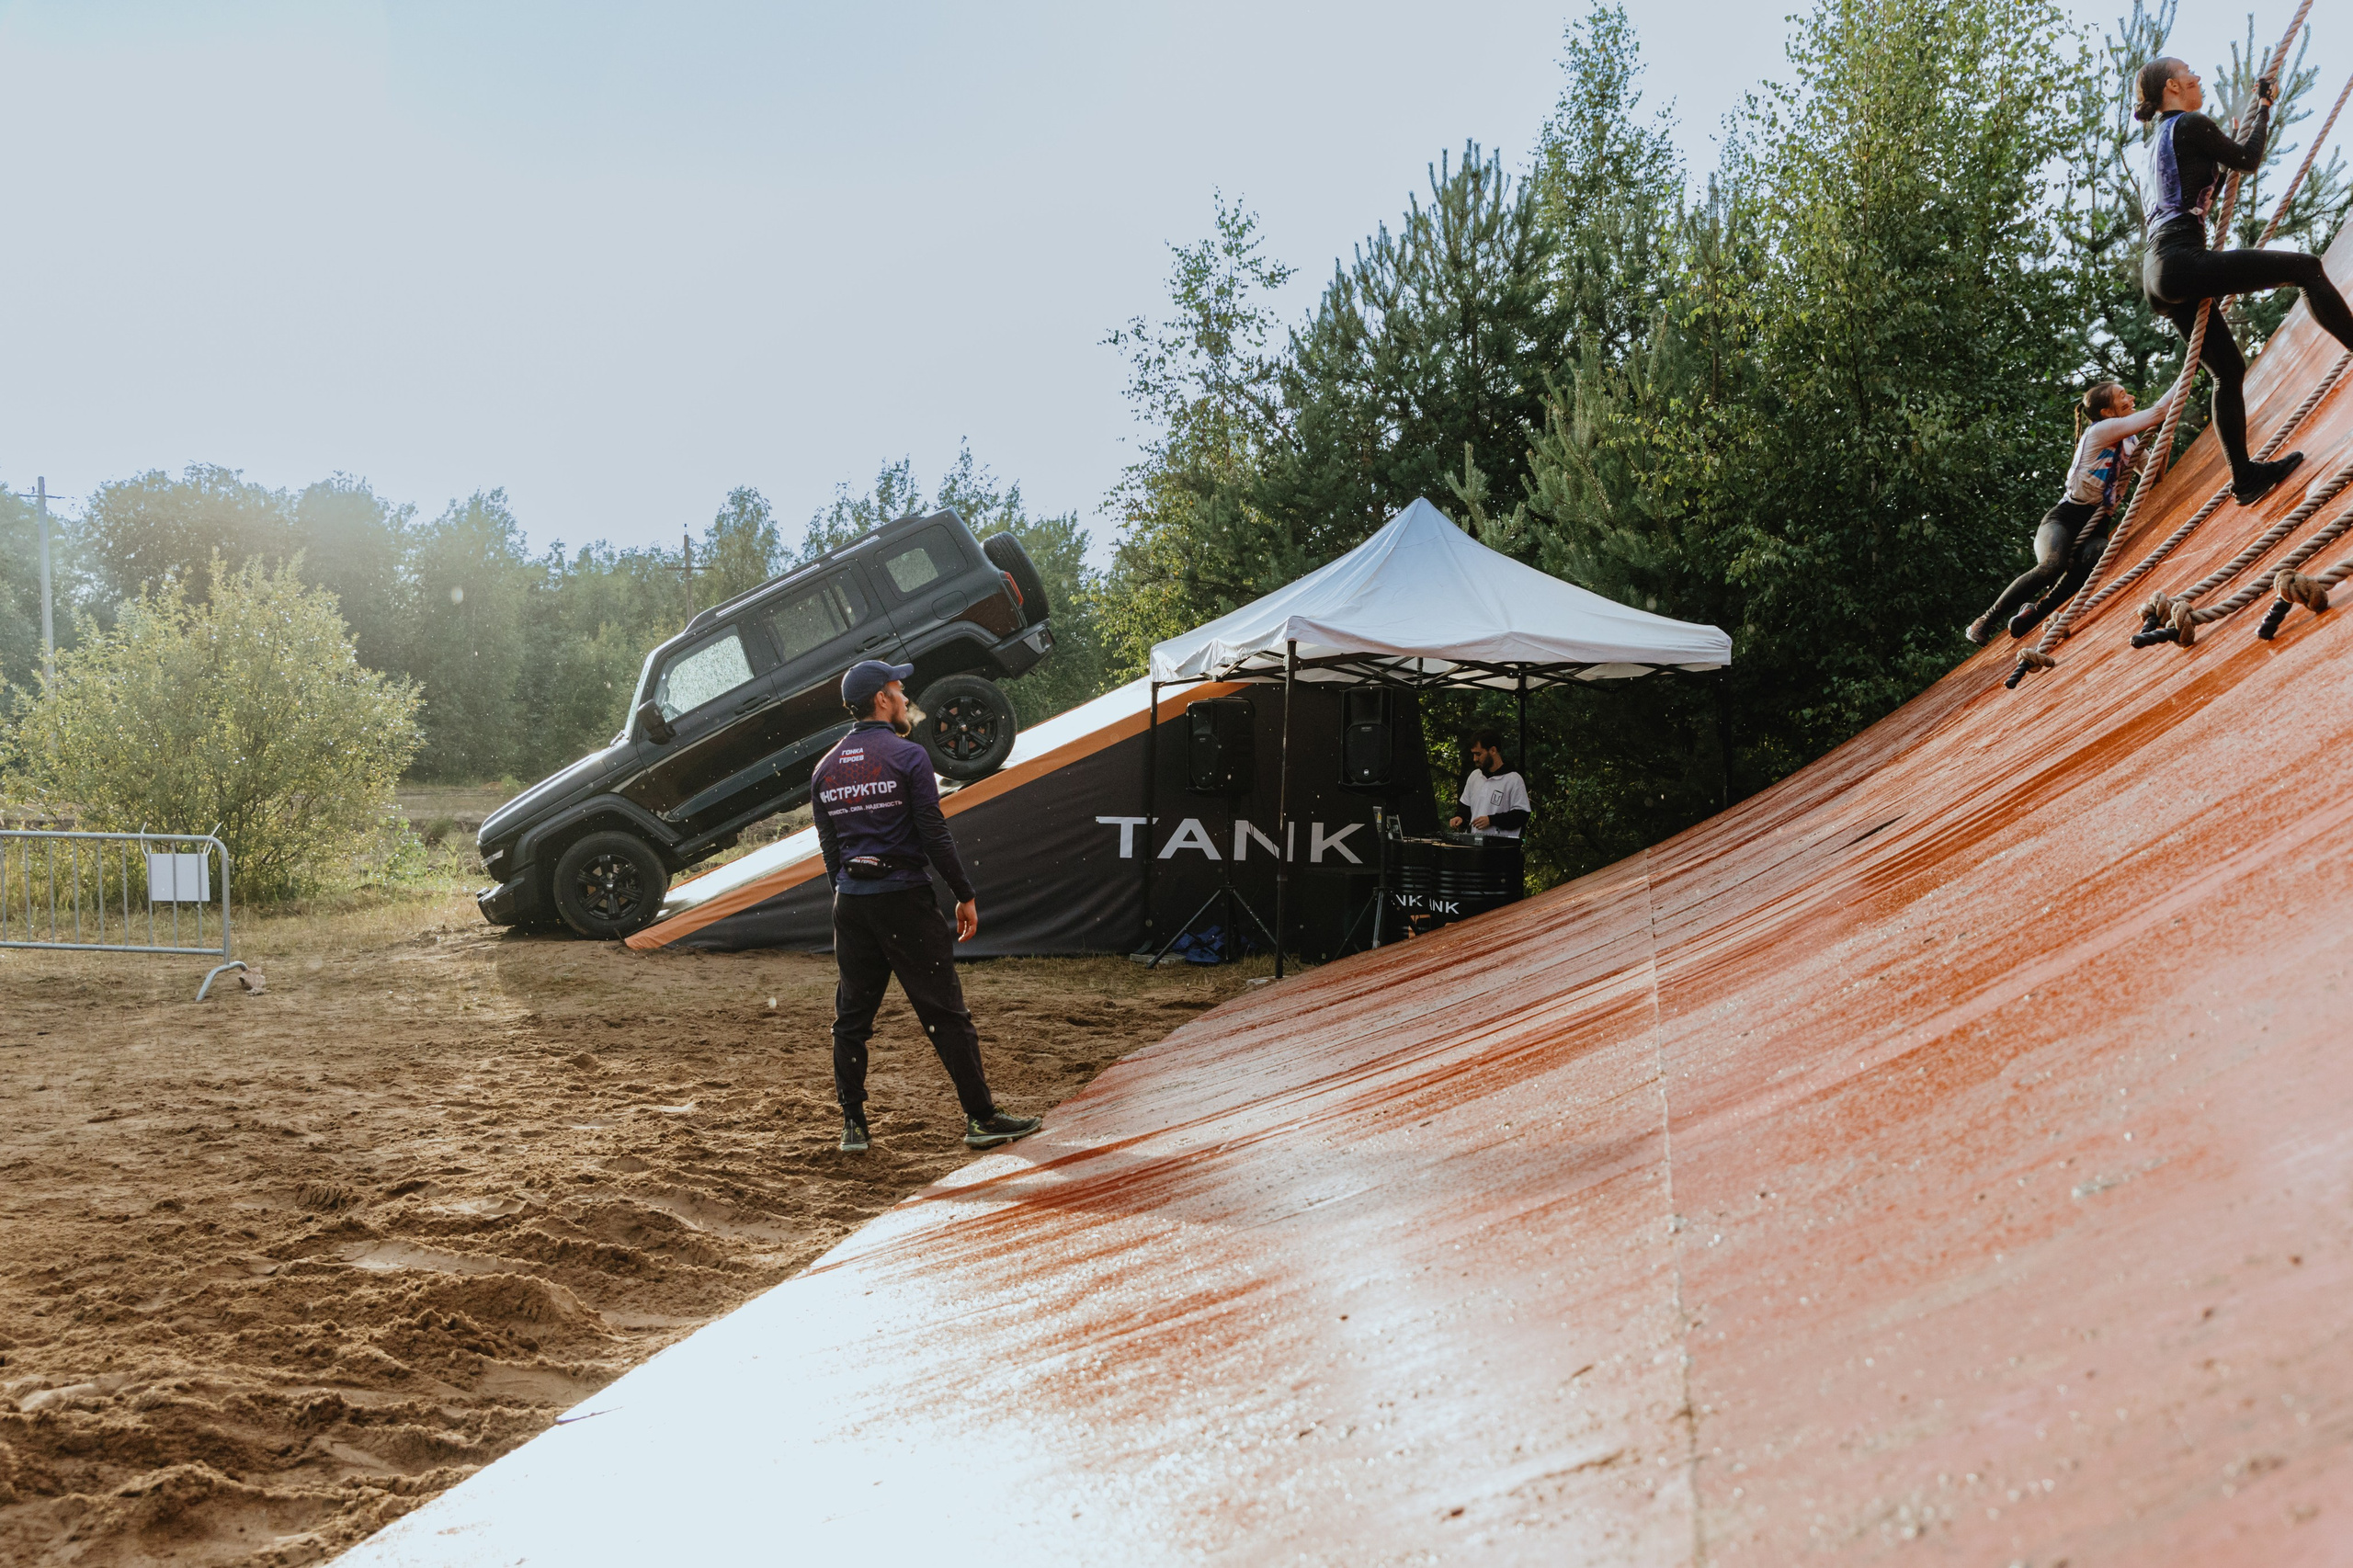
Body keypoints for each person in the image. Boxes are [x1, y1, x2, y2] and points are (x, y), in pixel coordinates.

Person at [810, 659, 1040, 1155]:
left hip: (850, 901)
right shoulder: (909, 757)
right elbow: (934, 835)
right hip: (903, 900)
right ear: (881, 700)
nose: (905, 697)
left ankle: (853, 1126)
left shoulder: (825, 768)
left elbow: (832, 854)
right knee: (945, 1014)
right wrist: (963, 893)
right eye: (899, 689)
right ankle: (981, 1120)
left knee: (851, 1018)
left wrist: (847, 896)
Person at [2135, 56, 2353, 506]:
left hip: (2157, 273)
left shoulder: (2155, 144)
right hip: (2180, 258)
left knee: (2228, 371)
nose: (2199, 76)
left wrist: (2237, 130)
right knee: (2306, 268)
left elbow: (2209, 167)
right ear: (2174, 86)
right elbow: (2248, 160)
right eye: (2190, 71)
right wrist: (2265, 107)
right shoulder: (2190, 123)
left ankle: (2245, 478)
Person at [1967, 380, 2179, 643]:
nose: (2132, 397)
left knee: (2097, 555)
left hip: (2098, 523)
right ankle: (1985, 619)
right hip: (2067, 516)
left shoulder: (2130, 441)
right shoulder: (2101, 431)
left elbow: (2155, 475)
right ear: (2107, 412)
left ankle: (2036, 613)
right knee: (2052, 564)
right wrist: (2187, 374)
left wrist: (2165, 443)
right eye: (2122, 395)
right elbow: (2158, 412)